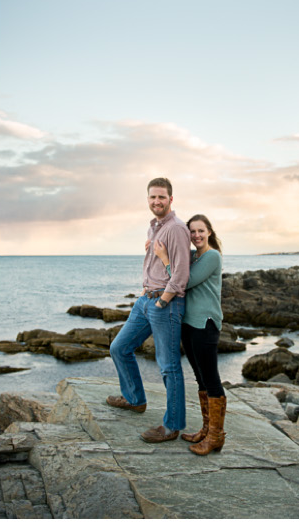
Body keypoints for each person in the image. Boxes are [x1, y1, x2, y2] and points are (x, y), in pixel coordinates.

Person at [107, 177, 191, 443]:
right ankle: (134, 400)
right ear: (148, 199)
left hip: (164, 303)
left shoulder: (176, 228)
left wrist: (163, 301)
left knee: (168, 366)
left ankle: (172, 426)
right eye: (153, 197)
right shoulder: (155, 227)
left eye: (162, 197)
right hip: (146, 300)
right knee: (119, 348)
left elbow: (181, 274)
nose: (157, 201)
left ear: (171, 199)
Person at [154, 214, 227, 455]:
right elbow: (175, 270)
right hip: (188, 323)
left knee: (211, 378)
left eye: (200, 231)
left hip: (205, 324)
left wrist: (164, 259)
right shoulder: (194, 256)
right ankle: (206, 430)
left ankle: (216, 436)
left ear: (209, 232)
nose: (196, 235)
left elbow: (183, 281)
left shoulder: (212, 256)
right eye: (192, 232)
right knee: (200, 378)